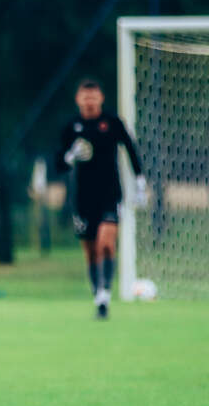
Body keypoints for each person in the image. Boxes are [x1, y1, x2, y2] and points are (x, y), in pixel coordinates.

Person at [56, 78, 145, 319]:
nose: (90, 101)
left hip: (110, 194)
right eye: (85, 97)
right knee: (91, 251)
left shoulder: (112, 122)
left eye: (93, 96)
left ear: (101, 98)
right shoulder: (71, 127)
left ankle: (105, 294)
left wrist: (139, 182)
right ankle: (98, 295)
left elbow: (130, 148)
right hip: (83, 198)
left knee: (106, 243)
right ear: (78, 99)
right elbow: (59, 164)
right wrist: (70, 156)